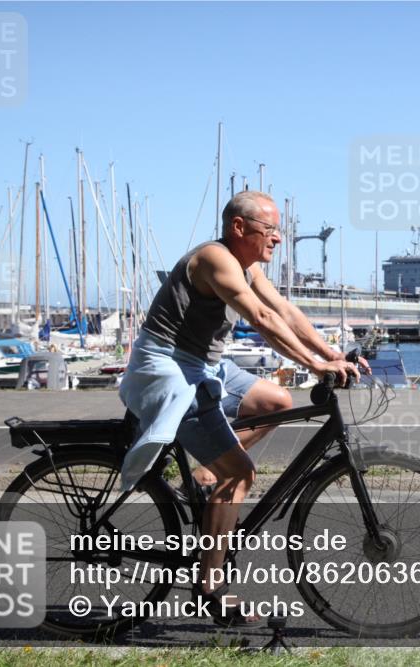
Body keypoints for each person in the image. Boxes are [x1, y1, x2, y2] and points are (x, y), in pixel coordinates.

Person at [118, 191, 365, 627]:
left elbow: (282, 309)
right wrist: (315, 367)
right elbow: (261, 320)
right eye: (270, 230)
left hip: (205, 365)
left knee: (276, 401)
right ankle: (209, 590)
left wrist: (332, 353)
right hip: (168, 369)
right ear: (238, 227)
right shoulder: (214, 260)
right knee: (240, 474)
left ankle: (204, 476)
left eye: (278, 230)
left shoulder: (247, 265)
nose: (278, 239)